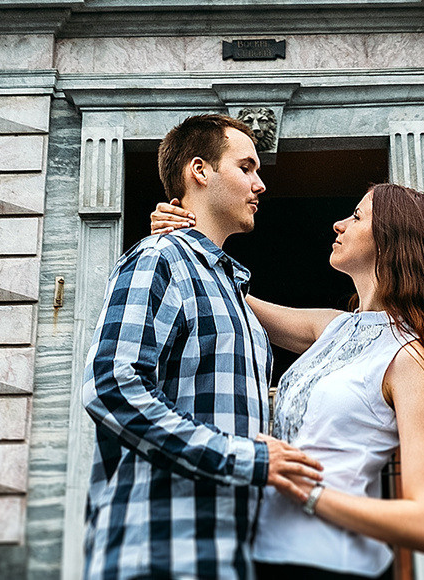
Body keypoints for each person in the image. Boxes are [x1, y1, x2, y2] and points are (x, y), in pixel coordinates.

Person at [150, 181, 424, 580]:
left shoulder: (408, 357)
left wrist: (311, 494)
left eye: (357, 216)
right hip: (262, 555)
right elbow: (226, 295)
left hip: (330, 564)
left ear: (392, 241)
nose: (338, 224)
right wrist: (182, 238)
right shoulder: (331, 327)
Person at [82, 113, 324, 580]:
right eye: (247, 167)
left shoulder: (231, 293)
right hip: (159, 554)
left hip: (224, 557)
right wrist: (248, 459)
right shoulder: (158, 258)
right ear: (200, 170)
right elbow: (110, 386)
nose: (261, 185)